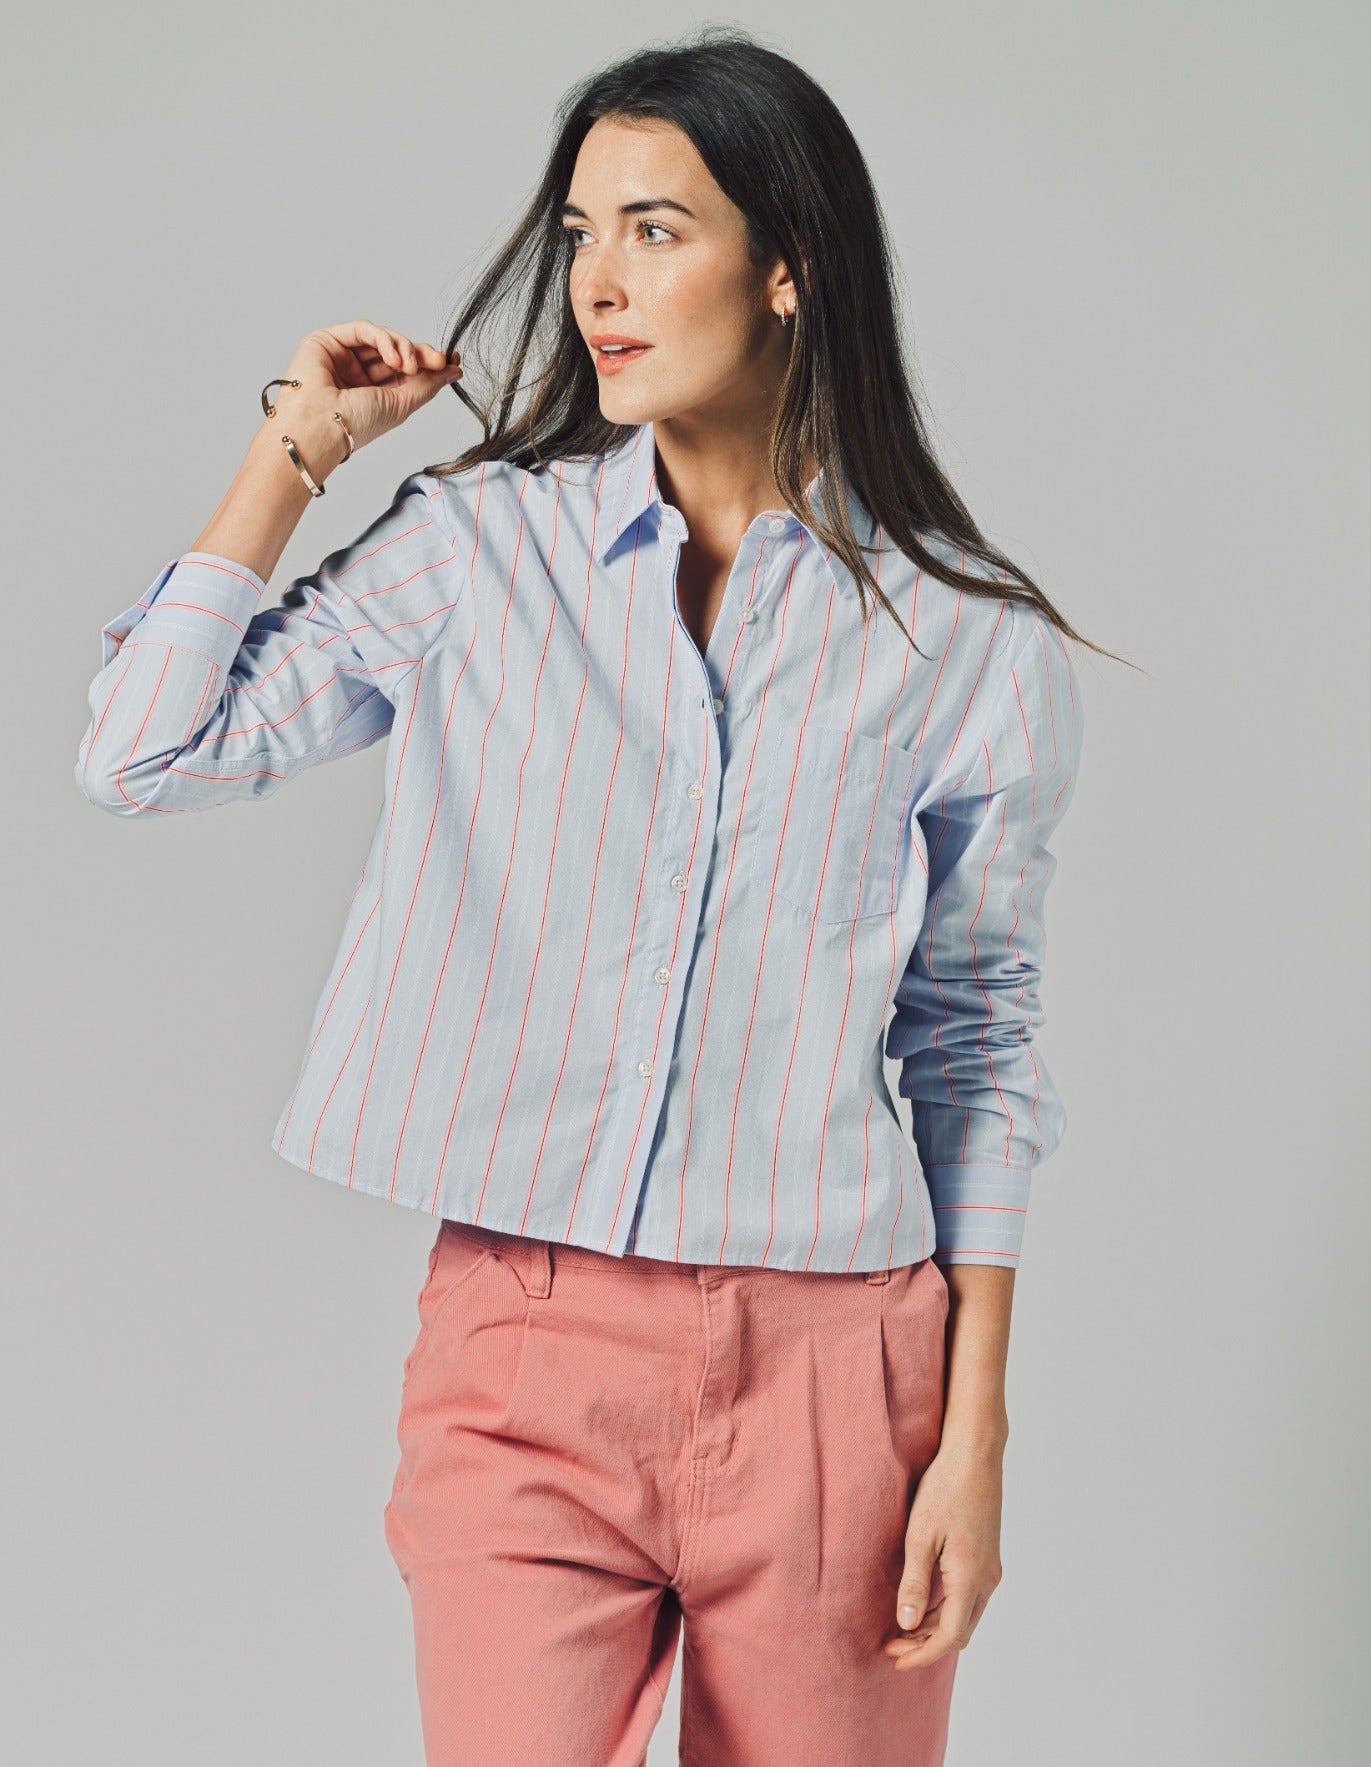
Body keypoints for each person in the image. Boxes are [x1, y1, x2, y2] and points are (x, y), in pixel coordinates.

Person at [74, 25, 1109, 1767]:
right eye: (578, 236)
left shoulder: (965, 645)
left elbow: (973, 1039)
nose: (598, 287)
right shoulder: (481, 552)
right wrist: (298, 449)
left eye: (655, 229)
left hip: (841, 1374)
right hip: (524, 1352)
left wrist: (972, 1431)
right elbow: (145, 753)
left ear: (789, 267)